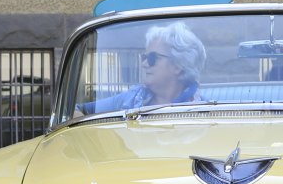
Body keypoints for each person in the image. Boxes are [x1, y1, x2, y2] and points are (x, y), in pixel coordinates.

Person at [76, 21, 205, 115]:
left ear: (178, 65)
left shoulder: (203, 110)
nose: (144, 64)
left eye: (152, 58)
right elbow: (77, 111)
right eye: (144, 57)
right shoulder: (131, 98)